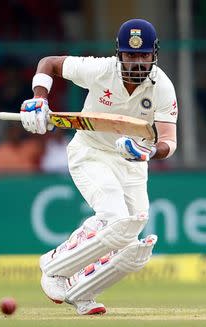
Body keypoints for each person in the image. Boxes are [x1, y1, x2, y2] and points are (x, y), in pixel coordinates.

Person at [18, 19, 178, 315]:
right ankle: (54, 266)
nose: (137, 62)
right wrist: (39, 99)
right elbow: (49, 63)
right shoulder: (101, 70)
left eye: (143, 55)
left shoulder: (163, 86)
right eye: (131, 55)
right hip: (91, 152)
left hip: (131, 162)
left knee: (131, 234)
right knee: (114, 217)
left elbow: (169, 141)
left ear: (154, 54)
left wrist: (149, 151)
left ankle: (83, 291)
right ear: (119, 53)